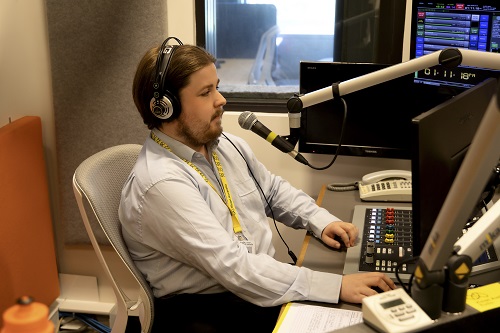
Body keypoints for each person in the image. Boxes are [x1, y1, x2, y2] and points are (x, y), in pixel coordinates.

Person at [119, 37, 396, 333]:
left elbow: (272, 190)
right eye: (205, 92)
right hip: (211, 310)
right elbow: (234, 266)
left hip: (252, 286)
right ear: (164, 108)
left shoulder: (222, 144)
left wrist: (320, 220)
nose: (221, 99)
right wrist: (337, 286)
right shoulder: (161, 185)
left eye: (217, 86)